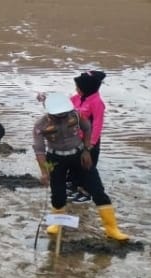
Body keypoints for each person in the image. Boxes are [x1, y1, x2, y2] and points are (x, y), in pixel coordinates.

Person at [34, 93, 128, 241]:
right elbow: (39, 150)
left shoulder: (76, 115)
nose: (62, 117)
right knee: (58, 195)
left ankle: (112, 229)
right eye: (58, 115)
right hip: (55, 159)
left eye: (64, 114)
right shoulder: (40, 126)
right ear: (50, 113)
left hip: (79, 155)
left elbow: (88, 127)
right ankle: (57, 223)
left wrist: (86, 149)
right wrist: (44, 172)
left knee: (97, 190)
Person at [69, 70, 107, 202]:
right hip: (75, 138)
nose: (76, 89)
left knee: (87, 166)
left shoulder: (97, 103)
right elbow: (65, 105)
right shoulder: (78, 98)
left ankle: (87, 192)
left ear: (86, 88)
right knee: (75, 163)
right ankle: (74, 185)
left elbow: (97, 124)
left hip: (89, 141)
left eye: (78, 88)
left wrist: (91, 144)